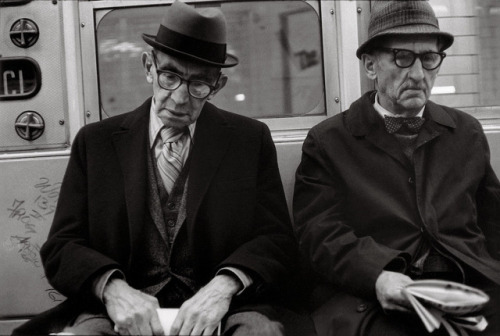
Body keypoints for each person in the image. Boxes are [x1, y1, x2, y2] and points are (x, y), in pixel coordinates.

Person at [14, 1, 307, 335]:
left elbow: (276, 241)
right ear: (148, 67)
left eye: (199, 85)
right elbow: (62, 246)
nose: (181, 98)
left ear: (218, 86)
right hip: (119, 316)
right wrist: (113, 290)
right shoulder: (96, 143)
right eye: (170, 76)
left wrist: (223, 287)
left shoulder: (248, 140)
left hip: (224, 312)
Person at [293, 1, 500, 335]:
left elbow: (493, 221)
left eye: (429, 59)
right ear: (370, 65)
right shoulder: (329, 140)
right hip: (378, 293)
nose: (418, 75)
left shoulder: (467, 132)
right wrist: (377, 275)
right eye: (403, 57)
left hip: (468, 284)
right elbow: (318, 234)